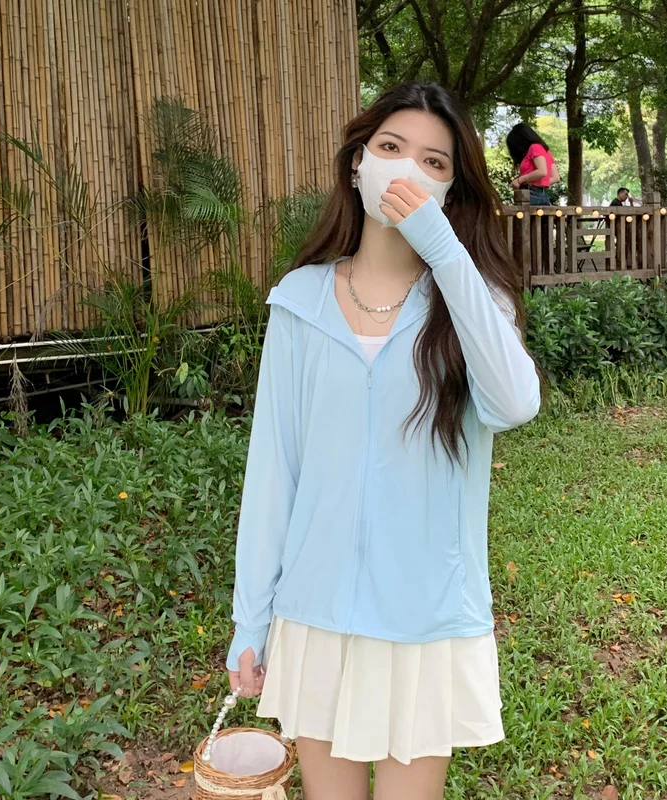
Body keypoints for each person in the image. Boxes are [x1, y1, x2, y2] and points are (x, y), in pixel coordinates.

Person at [225, 82, 541, 800]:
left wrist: (443, 250)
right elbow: (274, 471)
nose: (406, 171)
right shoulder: (299, 302)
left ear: (452, 189)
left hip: (425, 617)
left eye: (434, 162)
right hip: (315, 614)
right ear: (357, 162)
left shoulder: (473, 304)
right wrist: (251, 619)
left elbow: (516, 403)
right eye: (391, 148)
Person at [506, 122, 560, 205]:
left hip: (530, 193)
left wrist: (520, 180)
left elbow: (542, 171)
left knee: (523, 213)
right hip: (543, 194)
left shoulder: (534, 147)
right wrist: (539, 184)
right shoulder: (546, 151)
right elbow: (556, 177)